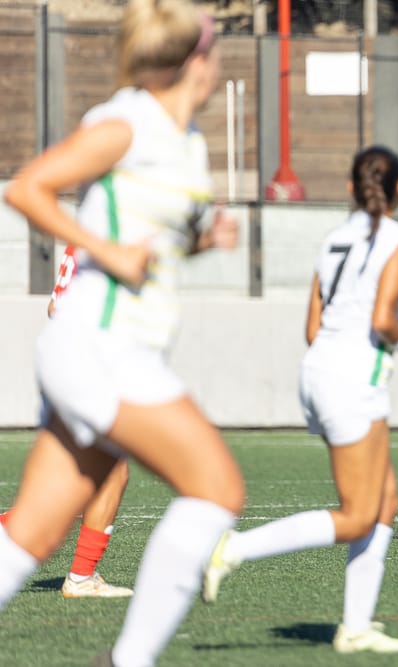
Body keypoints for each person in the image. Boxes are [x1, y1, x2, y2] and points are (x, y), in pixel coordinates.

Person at [0, 2, 246, 665]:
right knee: (217, 488)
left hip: (114, 348)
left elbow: (152, 239)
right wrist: (104, 249)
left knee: (31, 534)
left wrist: (202, 242)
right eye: (216, 50)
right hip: (100, 347)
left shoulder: (187, 137)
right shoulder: (126, 122)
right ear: (195, 60)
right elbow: (27, 189)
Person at [200, 146, 398, 654]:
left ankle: (356, 626)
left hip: (323, 369)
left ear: (350, 188)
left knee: (385, 499)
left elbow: (314, 327)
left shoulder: (333, 239)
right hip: (354, 379)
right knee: (359, 515)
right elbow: (382, 321)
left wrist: (384, 325)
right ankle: (234, 548)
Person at [0, 245, 133, 599]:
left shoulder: (89, 236)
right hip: (84, 366)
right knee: (109, 472)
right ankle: (81, 577)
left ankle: (81, 575)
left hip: (74, 364)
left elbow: (55, 305)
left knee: (86, 479)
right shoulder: (106, 235)